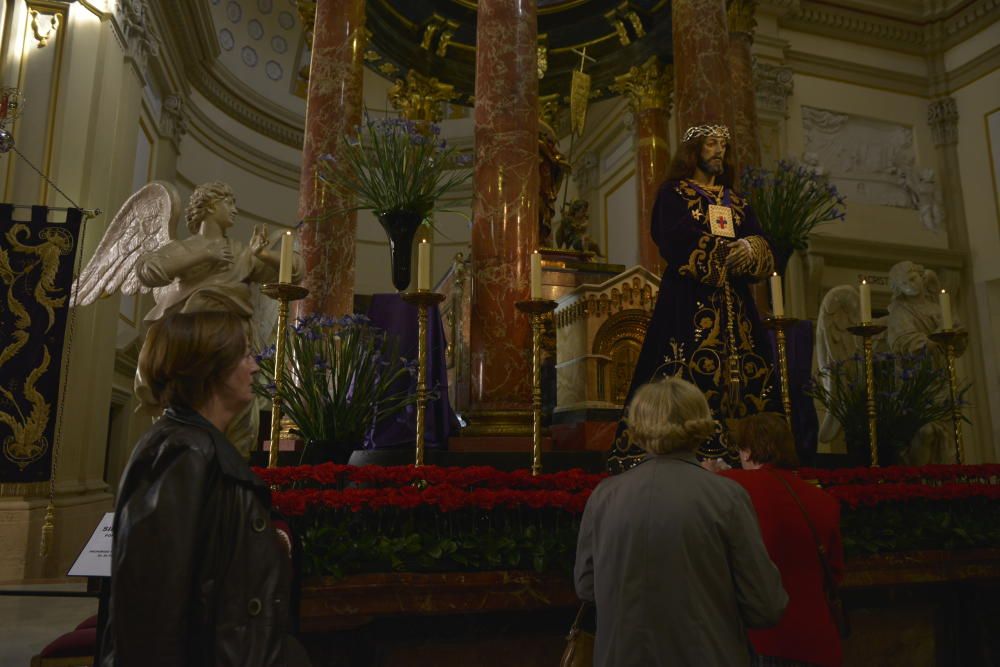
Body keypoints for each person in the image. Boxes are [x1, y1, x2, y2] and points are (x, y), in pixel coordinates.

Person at [101, 311, 309, 667]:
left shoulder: (198, 444)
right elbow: (153, 607)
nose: (255, 368)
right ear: (210, 367)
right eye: (244, 355)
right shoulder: (183, 453)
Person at [575, 376, 788, 667]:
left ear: (637, 425)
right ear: (700, 422)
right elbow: (765, 605)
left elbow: (586, 586)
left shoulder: (604, 496)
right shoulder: (726, 496)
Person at [608, 124, 779, 472]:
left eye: (723, 146)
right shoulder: (675, 193)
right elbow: (671, 236)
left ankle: (751, 455)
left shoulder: (738, 202)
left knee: (751, 374)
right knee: (682, 368)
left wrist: (750, 247)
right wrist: (720, 253)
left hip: (737, 306)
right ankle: (683, 453)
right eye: (711, 144)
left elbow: (761, 240)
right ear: (693, 151)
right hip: (689, 299)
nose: (719, 151)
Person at [135, 181, 303, 455]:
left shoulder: (240, 253)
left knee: (239, 431)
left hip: (231, 352)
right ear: (210, 205)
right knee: (185, 426)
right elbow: (147, 270)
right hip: (192, 352)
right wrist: (204, 254)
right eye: (229, 203)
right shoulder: (185, 248)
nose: (235, 210)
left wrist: (265, 254)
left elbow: (294, 273)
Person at [721, 412, 844, 667]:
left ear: (746, 450)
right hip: (817, 638)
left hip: (763, 639)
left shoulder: (732, 485)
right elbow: (835, 571)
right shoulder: (823, 500)